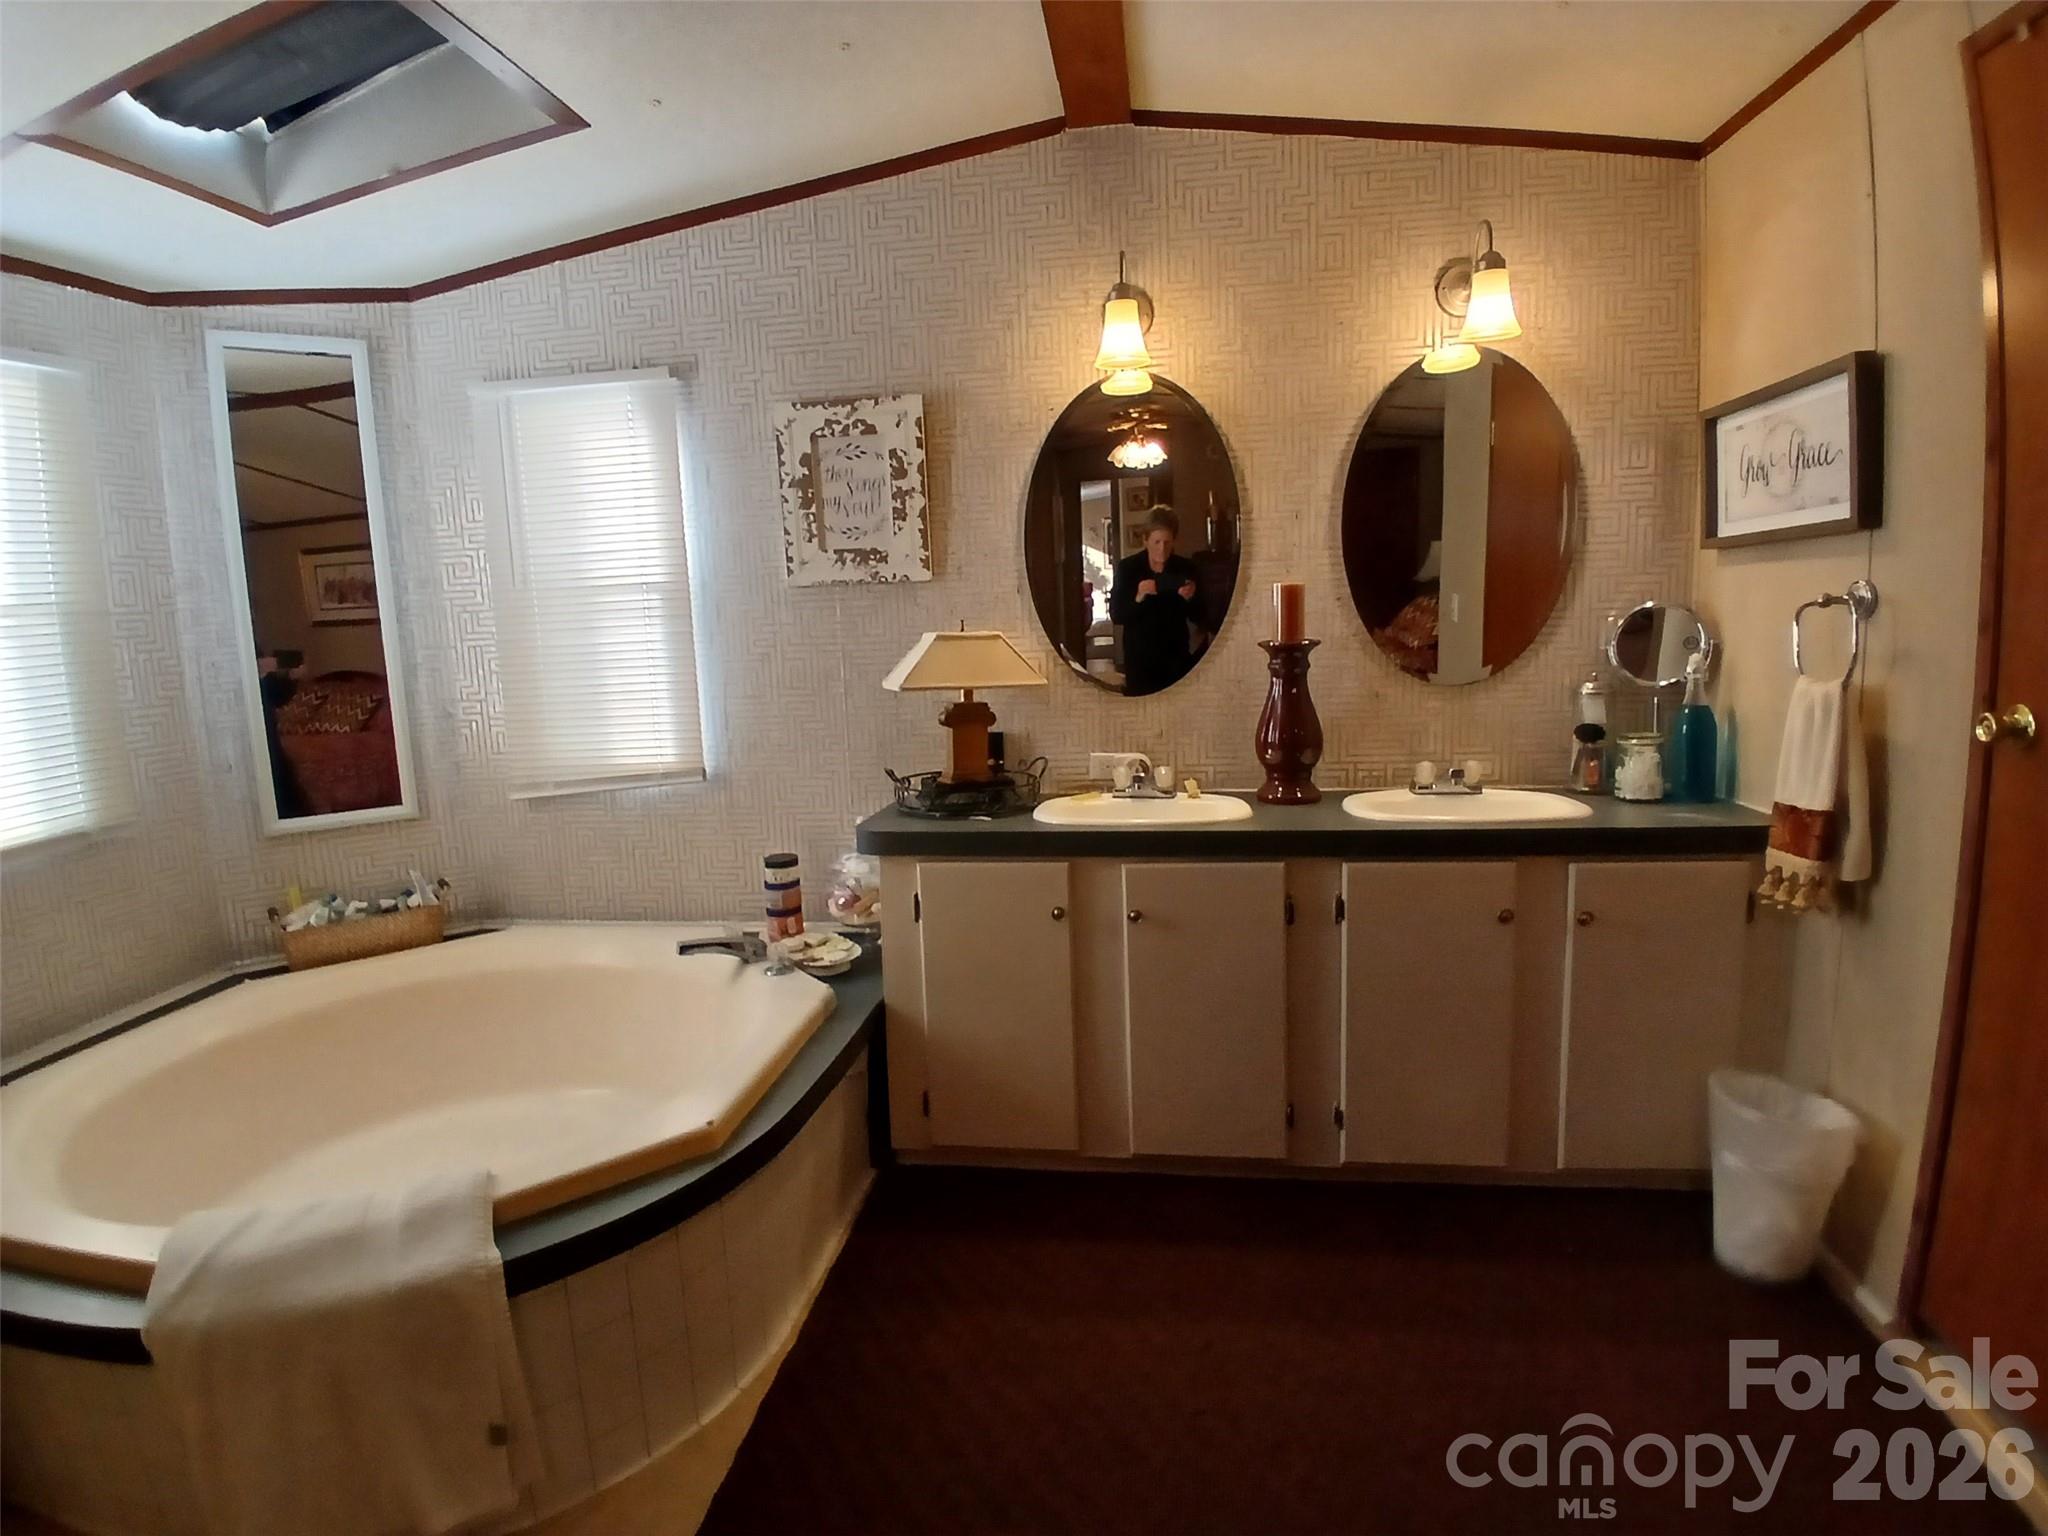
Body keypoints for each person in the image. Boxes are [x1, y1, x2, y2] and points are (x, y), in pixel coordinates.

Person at [1109, 507, 1200, 695]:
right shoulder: (1128, 568)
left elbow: (1201, 617)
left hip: (1176, 657)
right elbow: (1117, 615)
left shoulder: (1185, 568)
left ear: (1174, 540)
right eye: (1156, 542)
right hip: (1140, 658)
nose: (1162, 548)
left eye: (1167, 542)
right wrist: (1139, 597)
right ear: (1145, 540)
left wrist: (1191, 598)